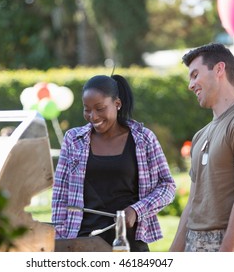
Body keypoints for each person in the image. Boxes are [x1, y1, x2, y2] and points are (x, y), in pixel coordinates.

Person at [51, 74, 176, 251]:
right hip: (83, 242)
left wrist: (136, 210)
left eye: (100, 108)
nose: (93, 116)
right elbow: (60, 193)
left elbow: (167, 186)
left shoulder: (144, 139)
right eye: (87, 109)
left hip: (129, 242)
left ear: (117, 104)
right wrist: (60, 240)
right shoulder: (73, 139)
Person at [169, 43, 234, 252]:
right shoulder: (200, 136)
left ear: (219, 69)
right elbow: (193, 203)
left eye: (195, 75)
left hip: (231, 246)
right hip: (194, 245)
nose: (191, 85)